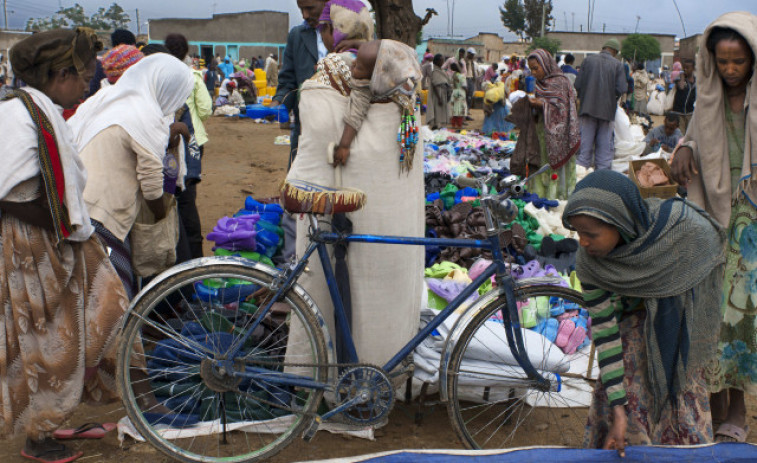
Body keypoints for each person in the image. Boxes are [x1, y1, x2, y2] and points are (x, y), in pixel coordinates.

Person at [0, 28, 137, 463]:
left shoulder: (36, 109)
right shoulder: (21, 115)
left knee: (106, 309)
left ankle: (56, 417)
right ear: (60, 75)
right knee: (45, 341)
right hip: (32, 244)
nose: (88, 84)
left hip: (55, 235)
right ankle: (38, 437)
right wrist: (58, 225)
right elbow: (8, 190)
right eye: (83, 76)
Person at [284, 31, 424, 380]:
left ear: (384, 76)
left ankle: (374, 367)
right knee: (342, 280)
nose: (354, 70)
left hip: (383, 220)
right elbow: (356, 112)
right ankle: (335, 371)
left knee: (382, 279)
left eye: (362, 67)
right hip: (347, 210)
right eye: (356, 63)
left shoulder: (405, 97)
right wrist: (347, 145)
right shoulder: (346, 85)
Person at [563, 170, 725, 453]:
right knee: (628, 388)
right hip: (631, 325)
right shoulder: (590, 264)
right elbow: (604, 330)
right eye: (577, 233)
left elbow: (707, 243)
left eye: (591, 234)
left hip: (682, 325)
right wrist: (619, 409)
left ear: (621, 224)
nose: (583, 242)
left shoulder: (678, 233)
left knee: (680, 393)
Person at [670, 12, 757, 444]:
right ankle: (717, 402)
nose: (729, 70)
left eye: (738, 61)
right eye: (722, 62)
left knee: (742, 316)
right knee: (711, 312)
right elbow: (692, 138)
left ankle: (738, 405)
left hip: (753, 221)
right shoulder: (708, 98)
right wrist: (684, 149)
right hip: (713, 217)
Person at [68, 54, 195, 298]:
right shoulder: (145, 114)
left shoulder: (108, 99)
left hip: (75, 204)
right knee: (113, 298)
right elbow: (151, 186)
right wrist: (161, 217)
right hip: (104, 216)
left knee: (86, 294)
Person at [165, 33, 213, 259]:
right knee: (186, 202)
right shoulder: (191, 76)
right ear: (186, 51)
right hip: (189, 144)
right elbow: (205, 108)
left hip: (167, 148)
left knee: (168, 201)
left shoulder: (159, 78)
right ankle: (193, 266)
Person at [523, 48, 580, 200]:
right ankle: (542, 194)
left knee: (558, 166)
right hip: (543, 130)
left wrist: (542, 104)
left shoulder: (561, 82)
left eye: (536, 68)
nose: (534, 72)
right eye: (531, 69)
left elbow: (563, 108)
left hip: (560, 134)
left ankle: (558, 195)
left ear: (546, 64)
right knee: (543, 161)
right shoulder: (540, 84)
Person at [574, 38, 627, 170]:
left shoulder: (588, 60)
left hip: (587, 110)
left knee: (584, 152)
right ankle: (601, 183)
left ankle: (580, 179)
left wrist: (586, 96)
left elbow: (577, 84)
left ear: (603, 48)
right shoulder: (618, 65)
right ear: (614, 51)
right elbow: (621, 89)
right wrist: (609, 97)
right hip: (607, 112)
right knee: (604, 153)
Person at [670, 58, 696, 134]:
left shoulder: (696, 82)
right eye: (684, 67)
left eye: (687, 68)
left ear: (693, 68)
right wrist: (682, 75)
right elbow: (681, 87)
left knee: (689, 134)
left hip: (690, 113)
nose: (685, 69)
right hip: (679, 113)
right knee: (680, 134)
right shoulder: (680, 79)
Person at [427, 53, 450, 130]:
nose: (443, 62)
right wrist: (439, 98)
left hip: (443, 93)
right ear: (437, 61)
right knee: (437, 111)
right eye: (441, 60)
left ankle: (440, 125)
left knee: (442, 111)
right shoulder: (435, 72)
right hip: (438, 94)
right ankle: (436, 125)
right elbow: (435, 85)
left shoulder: (441, 71)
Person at [449, 62, 467, 129]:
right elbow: (464, 85)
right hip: (461, 92)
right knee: (460, 110)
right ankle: (459, 125)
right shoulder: (461, 76)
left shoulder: (453, 75)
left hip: (454, 92)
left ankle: (453, 124)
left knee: (455, 109)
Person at [464, 47, 478, 120]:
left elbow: (472, 71)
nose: (472, 56)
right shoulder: (464, 61)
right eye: (471, 54)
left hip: (471, 79)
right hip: (466, 79)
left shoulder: (472, 62)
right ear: (468, 53)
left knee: (470, 97)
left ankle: (467, 112)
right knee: (466, 97)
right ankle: (464, 114)